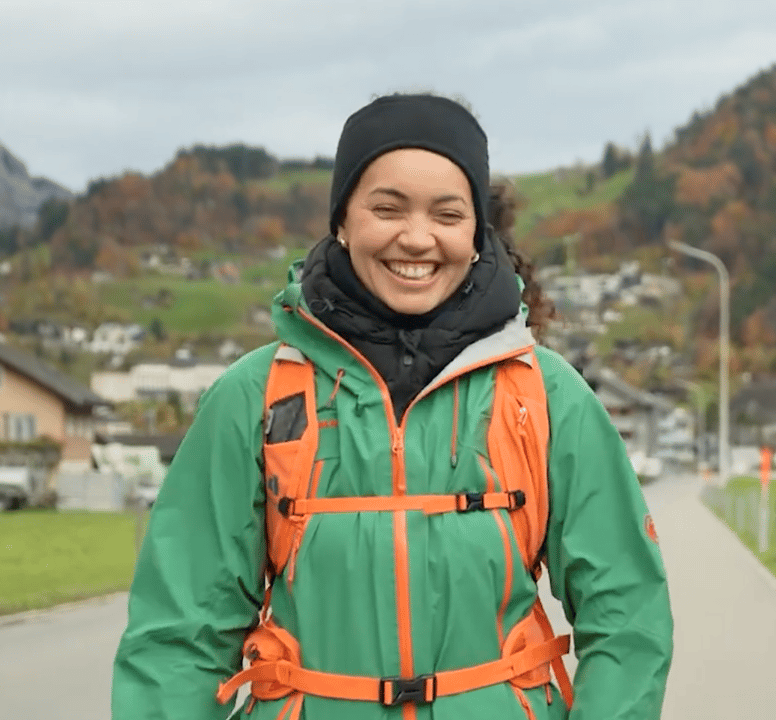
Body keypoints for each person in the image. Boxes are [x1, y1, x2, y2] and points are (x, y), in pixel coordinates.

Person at [112, 93, 673, 720]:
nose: (416, 238)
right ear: (343, 221)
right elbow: (178, 635)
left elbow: (627, 618)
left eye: (447, 214)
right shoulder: (254, 396)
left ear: (476, 233)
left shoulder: (547, 395)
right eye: (387, 208)